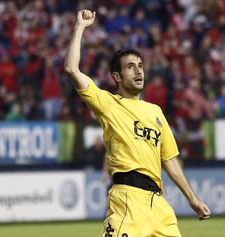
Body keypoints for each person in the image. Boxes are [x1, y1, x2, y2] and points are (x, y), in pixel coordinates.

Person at [64, 9, 211, 237]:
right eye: (130, 66)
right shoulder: (108, 103)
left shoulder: (156, 113)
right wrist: (80, 27)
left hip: (159, 206)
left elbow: (170, 161)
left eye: (140, 65)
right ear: (116, 77)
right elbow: (72, 69)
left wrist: (192, 198)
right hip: (127, 201)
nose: (138, 70)